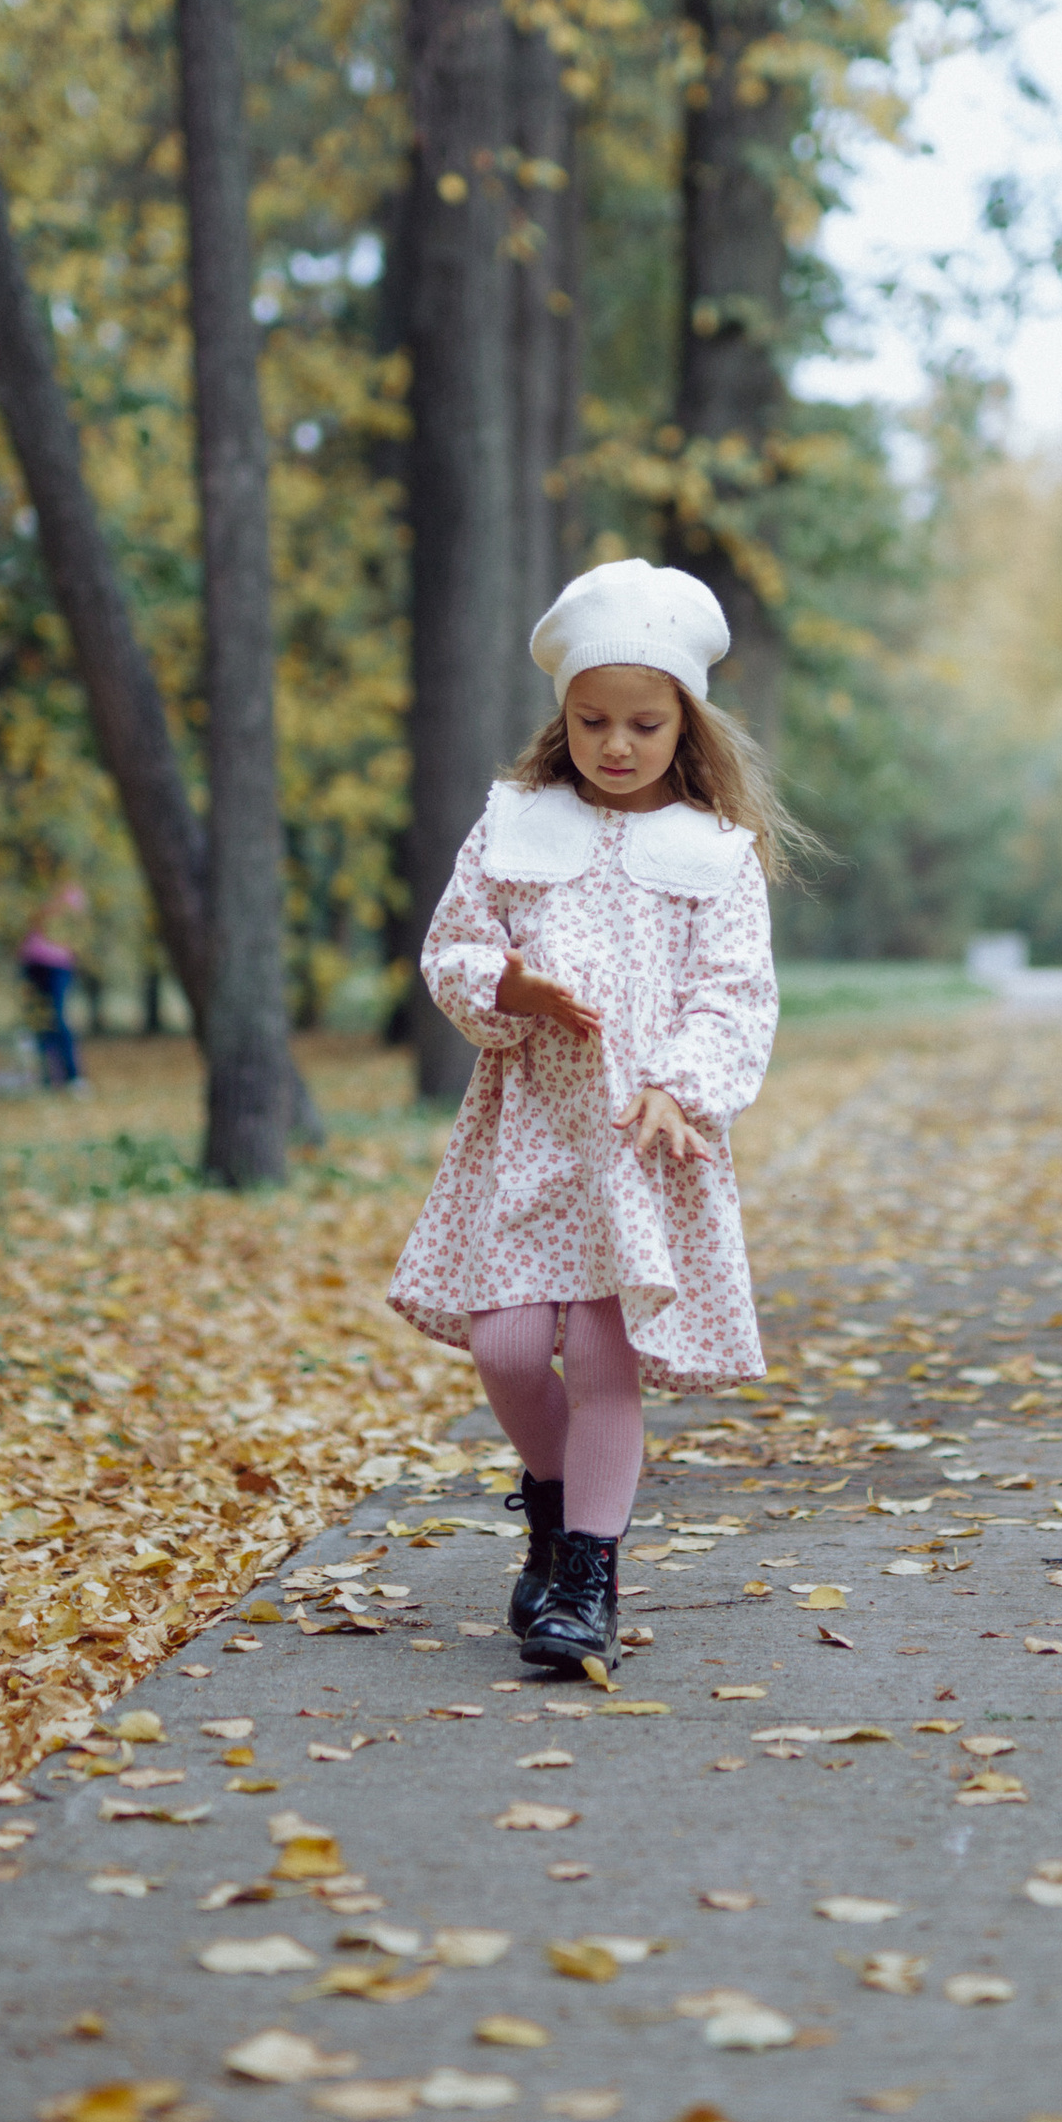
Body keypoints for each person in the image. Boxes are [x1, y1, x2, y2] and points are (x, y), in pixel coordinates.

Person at [387, 558, 792, 1676]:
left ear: (686, 725)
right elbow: (454, 945)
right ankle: (555, 1504)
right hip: (530, 1130)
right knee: (508, 1342)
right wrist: (505, 989)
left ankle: (587, 1579)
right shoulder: (514, 824)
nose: (617, 745)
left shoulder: (714, 857)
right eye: (593, 721)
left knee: (608, 1359)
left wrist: (681, 1088)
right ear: (562, 718)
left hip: (641, 1140)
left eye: (644, 725)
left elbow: (734, 993)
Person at [19, 882, 89, 1091]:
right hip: (32, 961)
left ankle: (73, 1076)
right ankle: (46, 1078)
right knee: (38, 1021)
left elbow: (72, 922)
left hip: (58, 964)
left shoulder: (70, 888)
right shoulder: (31, 882)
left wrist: (51, 907)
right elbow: (27, 917)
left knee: (58, 1018)